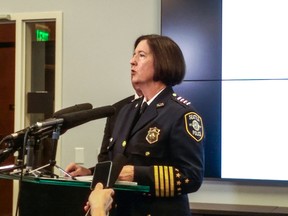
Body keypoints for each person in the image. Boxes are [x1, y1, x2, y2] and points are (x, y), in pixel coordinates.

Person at [67, 34, 205, 216]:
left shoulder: (182, 113)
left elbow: (192, 177)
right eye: (133, 55)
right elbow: (116, 162)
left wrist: (137, 174)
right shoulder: (125, 110)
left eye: (141, 55)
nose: (132, 61)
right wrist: (89, 172)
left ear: (162, 62)